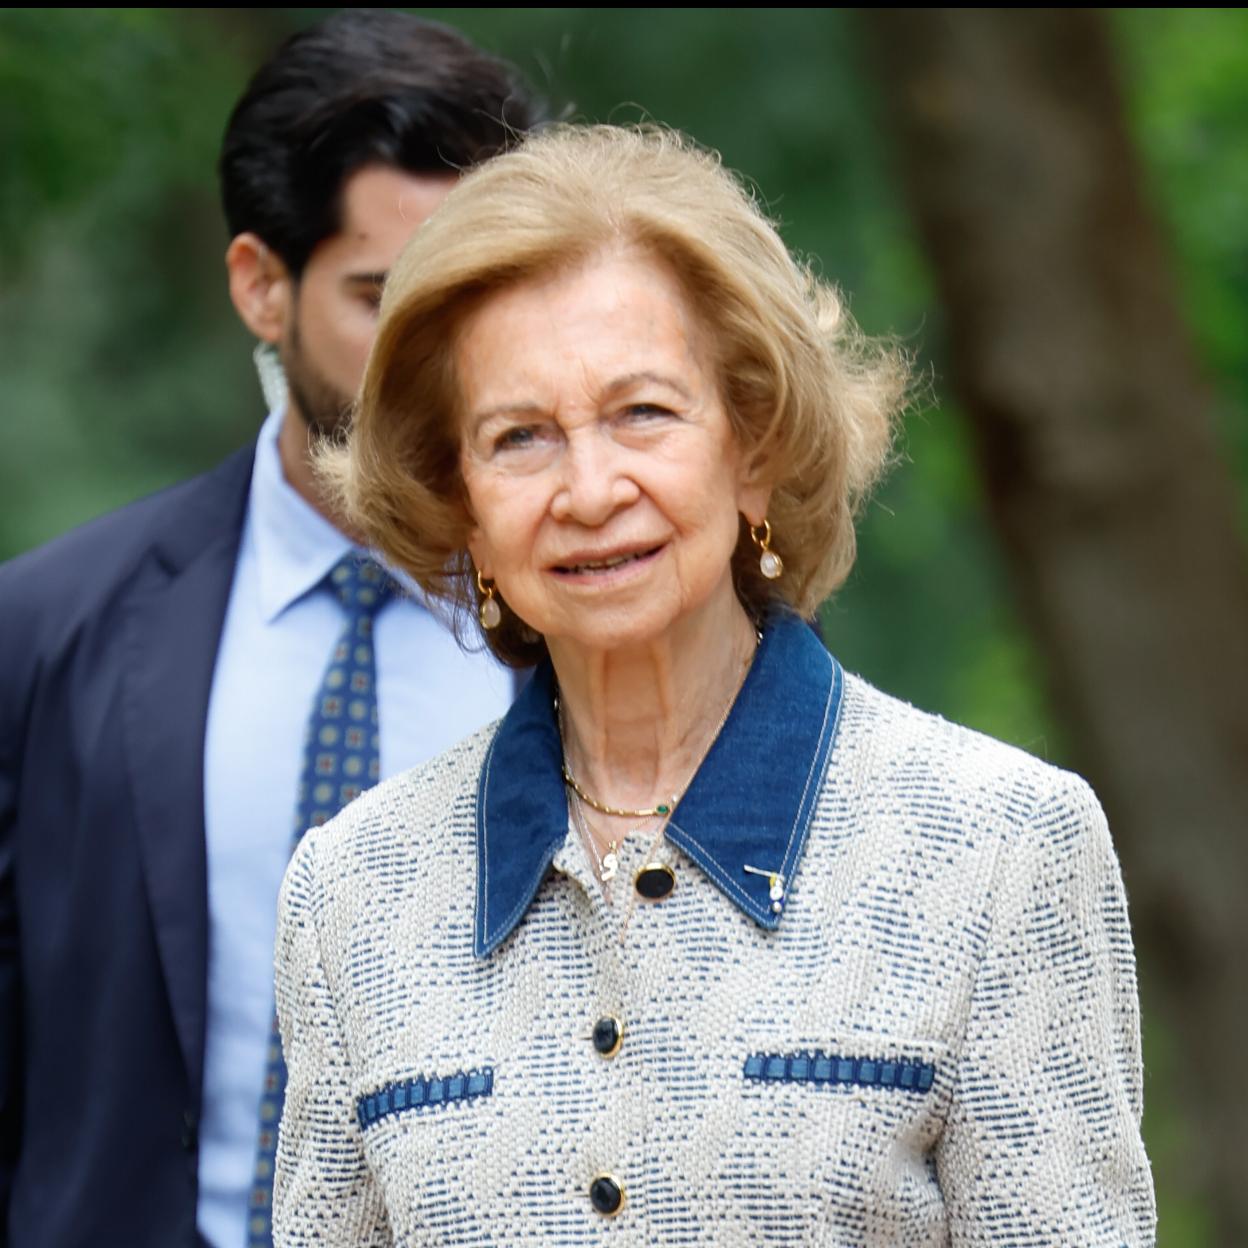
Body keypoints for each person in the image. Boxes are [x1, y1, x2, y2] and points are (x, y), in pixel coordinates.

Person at [272, 125, 1156, 1245]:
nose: (590, 489)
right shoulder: (352, 894)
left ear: (755, 448)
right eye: (520, 437)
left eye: (643, 412)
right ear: (464, 508)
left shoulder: (1001, 851)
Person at [0, 11, 540, 1248]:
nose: (435, 358)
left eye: (474, 298)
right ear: (260, 285)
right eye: (380, 297)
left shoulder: (603, 637)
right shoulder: (41, 633)